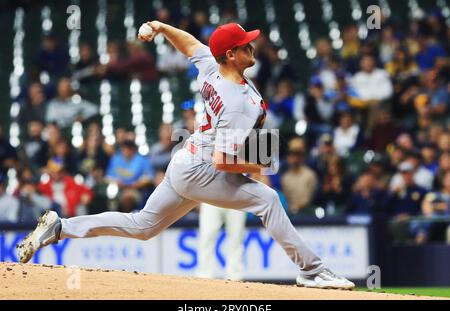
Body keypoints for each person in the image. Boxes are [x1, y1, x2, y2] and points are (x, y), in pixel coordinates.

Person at [17, 21, 354, 289]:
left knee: (143, 226)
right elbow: (224, 161)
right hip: (204, 170)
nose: (252, 46)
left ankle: (61, 227)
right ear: (231, 55)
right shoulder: (237, 103)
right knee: (266, 199)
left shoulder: (212, 66)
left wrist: (161, 27)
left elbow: (190, 44)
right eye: (244, 44)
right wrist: (260, 163)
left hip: (187, 161)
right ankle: (313, 271)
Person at [197, 203, 246, 281]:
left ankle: (235, 276)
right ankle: (204, 275)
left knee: (236, 239)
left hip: (237, 199)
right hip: (210, 199)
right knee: (206, 237)